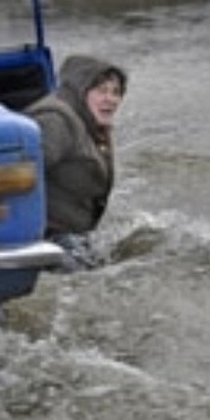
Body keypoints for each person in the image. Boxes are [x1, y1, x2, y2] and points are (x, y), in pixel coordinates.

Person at [25, 54, 127, 271]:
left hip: (74, 235)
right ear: (80, 91)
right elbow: (22, 171)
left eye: (116, 92)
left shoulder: (92, 124)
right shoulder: (56, 121)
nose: (111, 99)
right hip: (49, 238)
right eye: (101, 90)